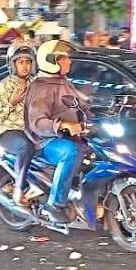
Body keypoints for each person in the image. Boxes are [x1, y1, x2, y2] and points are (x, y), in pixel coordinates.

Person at [25, 40, 91, 224]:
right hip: (45, 141)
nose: (69, 61)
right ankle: (55, 203)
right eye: (64, 59)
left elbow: (81, 103)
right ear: (51, 61)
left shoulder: (62, 82)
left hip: (68, 136)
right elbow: (38, 122)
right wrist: (62, 125)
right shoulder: (42, 87)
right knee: (72, 152)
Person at [0, 42, 37, 206]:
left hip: (35, 130)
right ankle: (19, 189)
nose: (25, 66)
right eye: (20, 62)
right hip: (10, 131)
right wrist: (13, 102)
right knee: (25, 147)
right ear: (13, 64)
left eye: (28, 62)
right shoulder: (4, 86)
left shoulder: (37, 83)